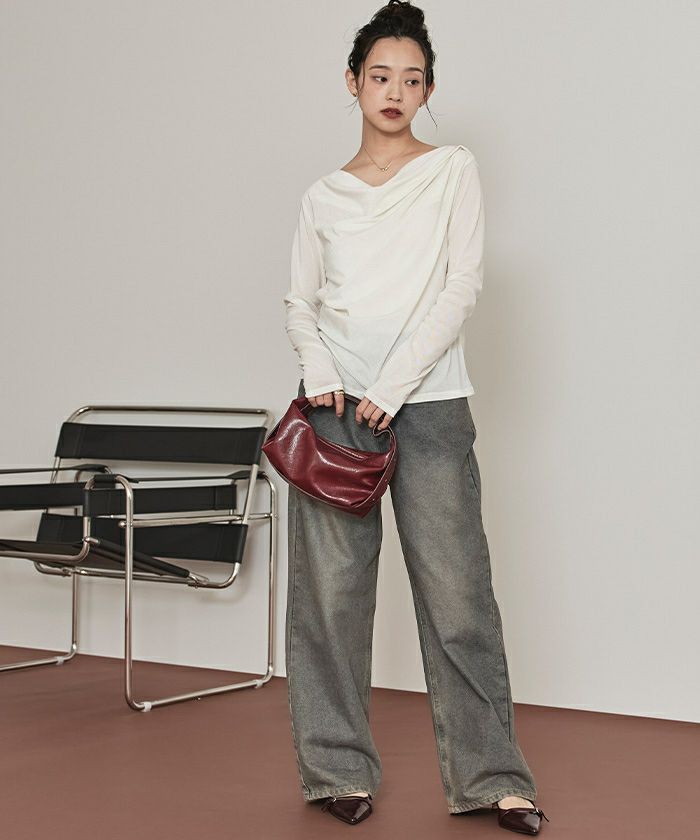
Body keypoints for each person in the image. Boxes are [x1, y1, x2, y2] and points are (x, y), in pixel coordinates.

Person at [281, 1, 549, 833]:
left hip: (426, 406)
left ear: (428, 89)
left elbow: (461, 285)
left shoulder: (452, 170)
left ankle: (492, 778)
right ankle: (335, 771)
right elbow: (300, 300)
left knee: (459, 597)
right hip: (334, 412)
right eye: (380, 76)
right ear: (353, 83)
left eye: (412, 78)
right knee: (330, 601)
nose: (395, 91)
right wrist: (322, 371)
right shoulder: (322, 195)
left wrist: (391, 386)